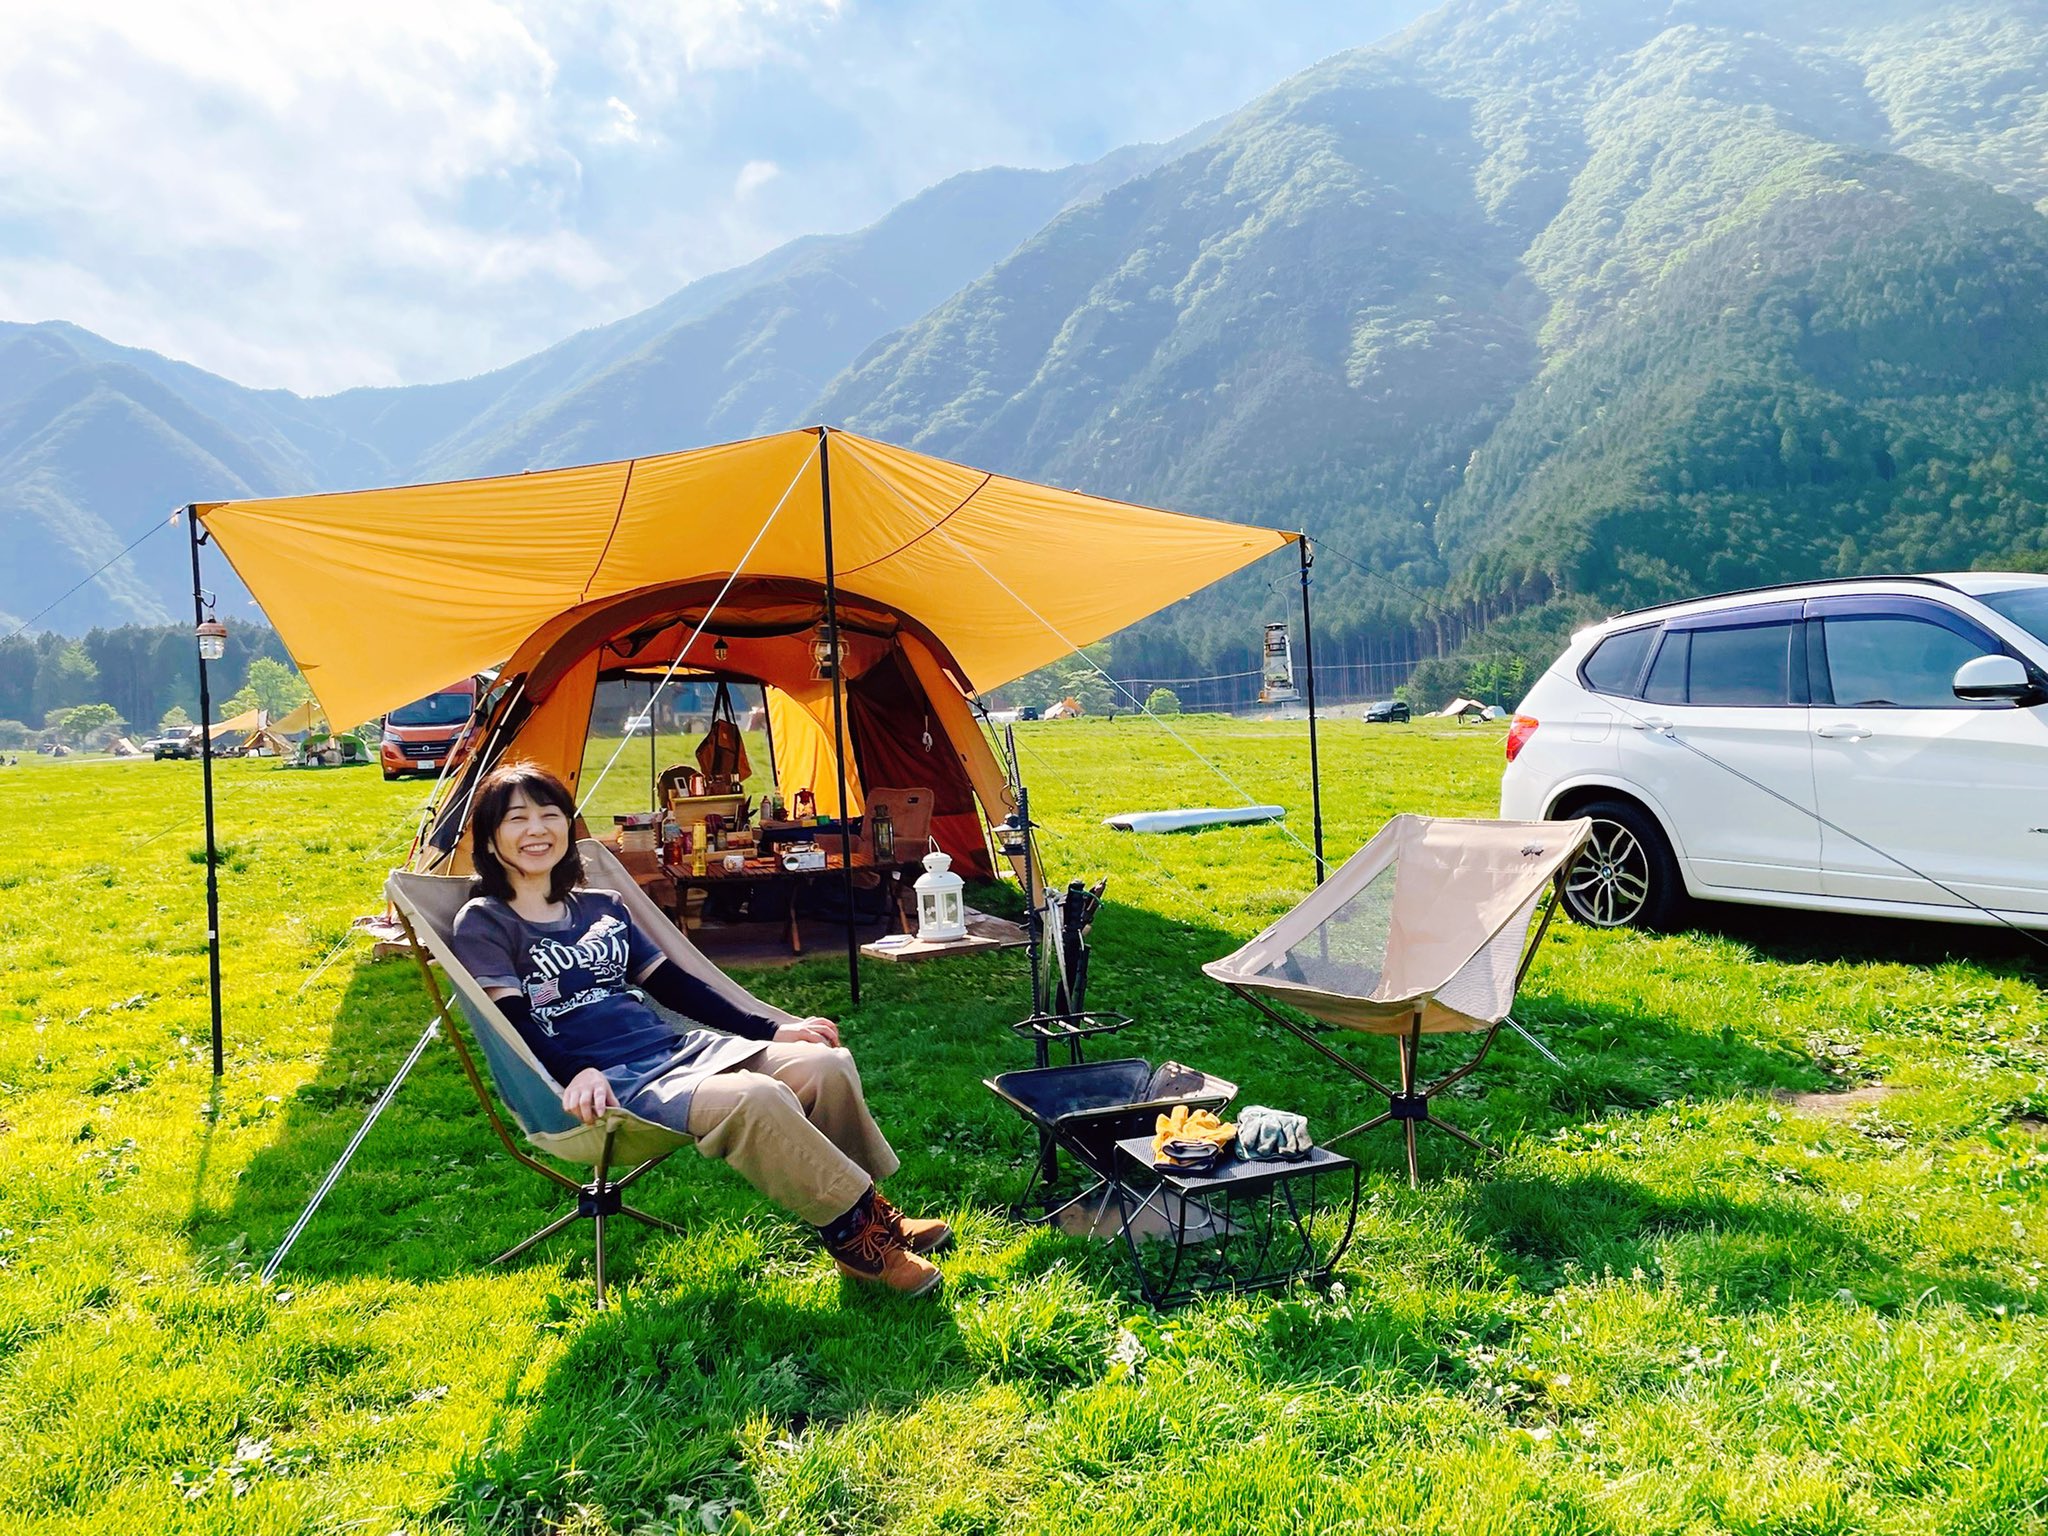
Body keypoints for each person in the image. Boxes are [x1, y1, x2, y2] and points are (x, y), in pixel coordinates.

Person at [451, 761, 949, 1296]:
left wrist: (770, 1030)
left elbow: (674, 985)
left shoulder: (602, 907)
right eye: (516, 819)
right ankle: (855, 1237)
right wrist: (577, 1071)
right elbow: (510, 1017)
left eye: (549, 815)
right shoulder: (484, 921)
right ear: (490, 836)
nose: (536, 831)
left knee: (824, 1064)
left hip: (676, 1050)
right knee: (754, 1097)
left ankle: (866, 1211)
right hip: (612, 1084)